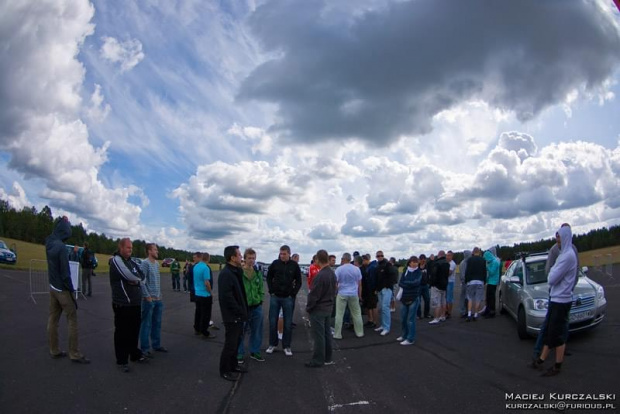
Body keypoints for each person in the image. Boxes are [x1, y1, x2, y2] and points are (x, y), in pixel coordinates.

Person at [532, 226, 578, 376]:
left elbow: (551, 278)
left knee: (557, 335)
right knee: (551, 332)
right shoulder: (563, 254)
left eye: (558, 236)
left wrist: (553, 271)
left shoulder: (568, 256)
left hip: (562, 300)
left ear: (564, 237)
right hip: (556, 298)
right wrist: (553, 271)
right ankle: (540, 360)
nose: (556, 239)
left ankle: (557, 366)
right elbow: (551, 274)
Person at [46, 216, 90, 364]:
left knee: (53, 319)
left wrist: (62, 221)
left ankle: (54, 349)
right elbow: (65, 274)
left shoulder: (49, 242)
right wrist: (71, 290)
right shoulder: (62, 248)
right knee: (72, 319)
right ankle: (74, 353)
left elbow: (55, 231)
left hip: (52, 286)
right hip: (63, 290)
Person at [110, 238, 149, 373]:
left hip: (135, 303)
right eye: (127, 248)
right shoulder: (116, 260)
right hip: (122, 303)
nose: (130, 250)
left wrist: (137, 282)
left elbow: (143, 277)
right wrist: (137, 280)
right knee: (122, 332)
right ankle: (121, 360)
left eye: (131, 248)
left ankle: (134, 354)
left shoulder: (132, 261)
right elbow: (128, 275)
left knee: (134, 330)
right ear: (121, 247)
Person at [218, 245, 248, 381]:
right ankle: (224, 370)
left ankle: (234, 365)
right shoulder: (226, 274)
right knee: (230, 344)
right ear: (233, 257)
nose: (241, 257)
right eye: (239, 255)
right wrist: (239, 311)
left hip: (238, 314)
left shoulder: (236, 271)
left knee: (236, 343)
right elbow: (227, 297)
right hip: (232, 316)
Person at [266, 245, 301, 356]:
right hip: (275, 297)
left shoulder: (294, 265)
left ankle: (286, 346)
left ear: (289, 253)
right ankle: (272, 344)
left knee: (287, 323)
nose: (282, 256)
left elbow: (299, 281)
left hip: (288, 298)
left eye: (284, 254)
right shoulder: (275, 263)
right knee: (272, 322)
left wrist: (293, 293)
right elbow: (268, 277)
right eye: (281, 253)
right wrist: (271, 291)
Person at [305, 249, 337, 368]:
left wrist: (309, 308)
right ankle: (328, 357)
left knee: (318, 336)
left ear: (318, 259)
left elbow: (314, 295)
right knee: (327, 334)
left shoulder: (320, 275)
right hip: (328, 307)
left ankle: (318, 360)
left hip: (318, 309)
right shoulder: (332, 273)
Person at [237, 248, 265, 363]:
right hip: (244, 307)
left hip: (256, 306)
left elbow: (261, 289)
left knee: (257, 330)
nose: (251, 260)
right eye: (249, 258)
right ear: (244, 258)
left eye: (253, 258)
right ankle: (239, 353)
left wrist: (260, 299)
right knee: (241, 331)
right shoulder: (239, 273)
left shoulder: (257, 273)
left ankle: (255, 351)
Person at [139, 243, 167, 356]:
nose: (157, 251)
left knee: (157, 323)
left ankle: (156, 345)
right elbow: (141, 281)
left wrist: (159, 295)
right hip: (148, 301)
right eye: (155, 250)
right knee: (146, 324)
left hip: (158, 299)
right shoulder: (145, 263)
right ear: (149, 251)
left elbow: (156, 282)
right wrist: (147, 296)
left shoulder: (157, 264)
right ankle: (144, 349)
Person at [333, 253, 364, 339]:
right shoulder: (357, 269)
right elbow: (359, 284)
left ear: (343, 259)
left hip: (342, 293)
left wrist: (336, 292)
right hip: (353, 294)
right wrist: (359, 295)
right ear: (350, 259)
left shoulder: (339, 269)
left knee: (339, 314)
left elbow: (335, 282)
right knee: (357, 314)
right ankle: (359, 332)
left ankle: (337, 334)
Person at [397, 256, 422, 345]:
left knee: (410, 320)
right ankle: (404, 335)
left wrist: (406, 283)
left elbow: (416, 282)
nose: (415, 263)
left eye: (416, 262)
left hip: (414, 298)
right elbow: (400, 282)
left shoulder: (419, 272)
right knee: (403, 319)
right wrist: (408, 284)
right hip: (404, 298)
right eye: (413, 262)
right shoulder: (405, 272)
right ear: (409, 263)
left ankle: (410, 338)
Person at [193, 253, 216, 340]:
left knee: (198, 312)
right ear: (208, 258)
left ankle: (197, 328)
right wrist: (211, 292)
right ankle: (205, 331)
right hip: (205, 294)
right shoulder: (206, 268)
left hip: (197, 293)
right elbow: (207, 282)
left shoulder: (196, 266)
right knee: (206, 314)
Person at [374, 250, 397, 335]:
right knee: (382, 308)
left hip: (386, 289)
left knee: (385, 307)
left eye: (381, 255)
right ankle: (383, 325)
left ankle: (387, 327)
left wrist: (387, 286)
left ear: (383, 256)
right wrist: (376, 288)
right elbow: (377, 278)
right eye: (378, 256)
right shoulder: (377, 265)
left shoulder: (387, 264)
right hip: (380, 289)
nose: (379, 257)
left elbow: (393, 275)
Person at [464, 247, 486, 322]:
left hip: (471, 281)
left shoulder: (469, 260)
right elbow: (484, 271)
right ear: (479, 252)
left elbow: (467, 271)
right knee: (478, 299)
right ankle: (476, 314)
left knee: (470, 298)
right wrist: (484, 281)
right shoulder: (483, 260)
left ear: (473, 252)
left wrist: (466, 280)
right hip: (480, 281)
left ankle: (469, 314)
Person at [429, 250, 450, 325]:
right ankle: (443, 316)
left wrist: (431, 283)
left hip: (437, 285)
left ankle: (436, 318)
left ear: (439, 255)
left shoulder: (437, 263)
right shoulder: (447, 263)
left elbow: (434, 275)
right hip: (444, 285)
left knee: (436, 302)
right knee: (443, 301)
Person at [482, 249, 500, 318]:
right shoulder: (490, 262)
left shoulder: (495, 262)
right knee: (488, 297)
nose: (486, 260)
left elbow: (492, 272)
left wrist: (487, 267)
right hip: (489, 282)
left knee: (491, 297)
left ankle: (492, 311)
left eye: (486, 258)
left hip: (493, 282)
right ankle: (487, 310)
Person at [416, 254, 431, 319]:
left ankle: (426, 313)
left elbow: (430, 274)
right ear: (419, 260)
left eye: (424, 260)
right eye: (422, 260)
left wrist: (429, 282)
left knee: (427, 299)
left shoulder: (427, 266)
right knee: (418, 301)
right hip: (418, 286)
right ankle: (418, 314)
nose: (423, 262)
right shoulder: (417, 267)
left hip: (425, 285)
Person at [458, 250, 472, 318]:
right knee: (464, 297)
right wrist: (466, 281)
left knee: (467, 298)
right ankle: (463, 311)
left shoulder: (466, 262)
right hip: (465, 283)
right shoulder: (463, 263)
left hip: (467, 282)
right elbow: (463, 275)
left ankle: (466, 311)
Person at [445, 250, 456, 318]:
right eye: (447, 255)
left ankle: (449, 312)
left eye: (449, 255)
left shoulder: (452, 264)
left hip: (450, 282)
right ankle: (446, 310)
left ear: (452, 256)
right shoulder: (446, 263)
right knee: (445, 297)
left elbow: (449, 273)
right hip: (446, 281)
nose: (447, 257)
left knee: (449, 298)